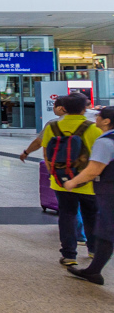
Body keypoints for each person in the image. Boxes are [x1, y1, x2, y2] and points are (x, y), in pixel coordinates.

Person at [42, 93, 101, 267]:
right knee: (91, 215)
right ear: (84, 108)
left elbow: (47, 155)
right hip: (88, 182)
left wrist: (54, 174)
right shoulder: (93, 129)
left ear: (63, 108)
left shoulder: (52, 127)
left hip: (61, 182)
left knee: (67, 216)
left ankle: (69, 255)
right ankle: (93, 250)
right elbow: (98, 158)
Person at [61, 105, 114, 285]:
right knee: (106, 231)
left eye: (99, 116)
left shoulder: (105, 142)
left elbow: (93, 170)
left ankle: (93, 271)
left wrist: (72, 182)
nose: (96, 118)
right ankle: (93, 270)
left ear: (106, 121)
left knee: (107, 231)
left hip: (109, 192)